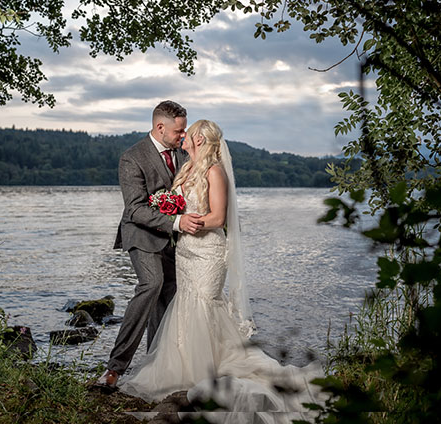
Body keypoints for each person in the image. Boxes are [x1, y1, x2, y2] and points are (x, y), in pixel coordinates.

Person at [118, 120, 326, 423]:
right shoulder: (186, 168)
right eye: (182, 133)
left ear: (200, 140)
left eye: (188, 135)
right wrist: (171, 214)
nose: (183, 138)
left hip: (207, 251)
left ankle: (206, 369)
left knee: (205, 304)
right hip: (185, 251)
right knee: (185, 304)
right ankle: (183, 368)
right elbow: (174, 207)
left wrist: (192, 221)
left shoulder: (214, 171)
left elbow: (218, 218)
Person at [96, 101, 205, 390]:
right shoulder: (132, 157)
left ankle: (154, 364)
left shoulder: (183, 154)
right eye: (179, 132)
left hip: (173, 238)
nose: (183, 137)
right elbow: (134, 210)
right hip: (141, 233)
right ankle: (114, 369)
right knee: (152, 284)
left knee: (169, 291)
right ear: (160, 127)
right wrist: (178, 222)